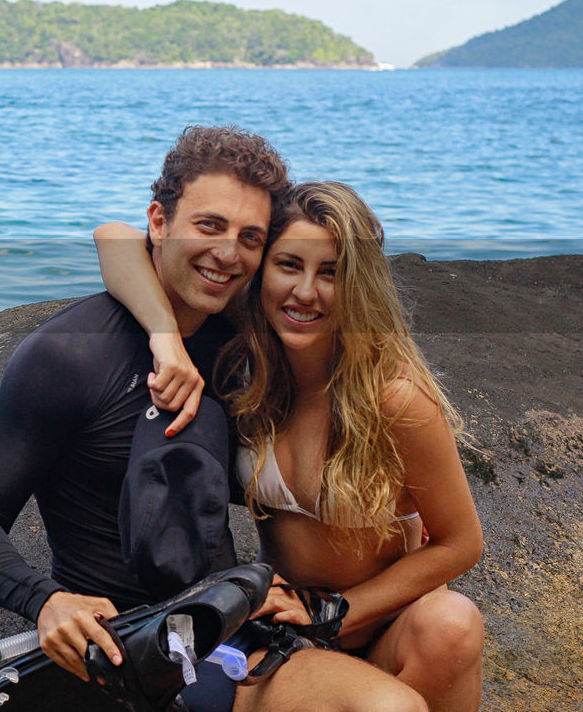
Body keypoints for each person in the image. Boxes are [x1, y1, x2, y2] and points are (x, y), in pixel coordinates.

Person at [0, 127, 431, 712]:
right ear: (160, 222)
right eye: (208, 226)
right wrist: (50, 602)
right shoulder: (68, 355)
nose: (228, 253)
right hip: (126, 644)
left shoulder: (243, 340)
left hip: (230, 627)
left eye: (249, 238)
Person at [96, 181, 484, 711]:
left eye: (330, 273)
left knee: (453, 623)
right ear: (261, 272)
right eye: (288, 265)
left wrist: (337, 610)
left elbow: (461, 542)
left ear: (359, 284)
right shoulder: (247, 368)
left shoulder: (392, 399)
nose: (304, 292)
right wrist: (164, 334)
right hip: (281, 629)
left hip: (387, 624)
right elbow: (114, 238)